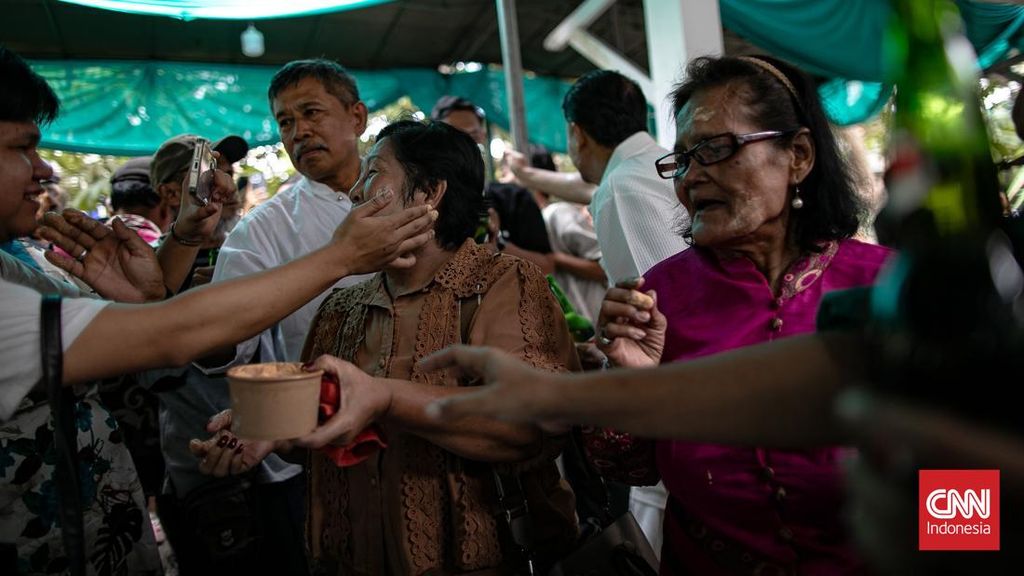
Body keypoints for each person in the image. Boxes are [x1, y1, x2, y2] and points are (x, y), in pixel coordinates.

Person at [434, 55, 893, 575]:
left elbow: (970, 469)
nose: (692, 178)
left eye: (717, 149)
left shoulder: (891, 287)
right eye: (682, 161)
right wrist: (629, 376)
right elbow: (627, 465)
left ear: (799, 156)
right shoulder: (660, 295)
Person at [0, 44, 436, 575]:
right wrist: (341, 257)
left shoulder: (418, 193)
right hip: (315, 445)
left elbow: (146, 325)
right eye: (285, 121)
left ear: (358, 116)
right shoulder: (265, 227)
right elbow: (200, 341)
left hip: (428, 425)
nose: (298, 131)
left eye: (312, 113)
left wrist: (157, 289)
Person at [192, 120, 579, 576]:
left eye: (373, 174)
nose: (355, 193)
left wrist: (385, 398)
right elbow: (323, 436)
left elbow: (529, 428)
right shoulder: (342, 306)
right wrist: (273, 430)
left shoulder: (503, 284)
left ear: (429, 193)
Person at [431, 95, 556, 274]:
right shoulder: (425, 202)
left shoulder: (514, 198)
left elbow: (547, 266)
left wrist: (496, 241)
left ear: (482, 136)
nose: (464, 147)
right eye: (454, 138)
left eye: (471, 137)